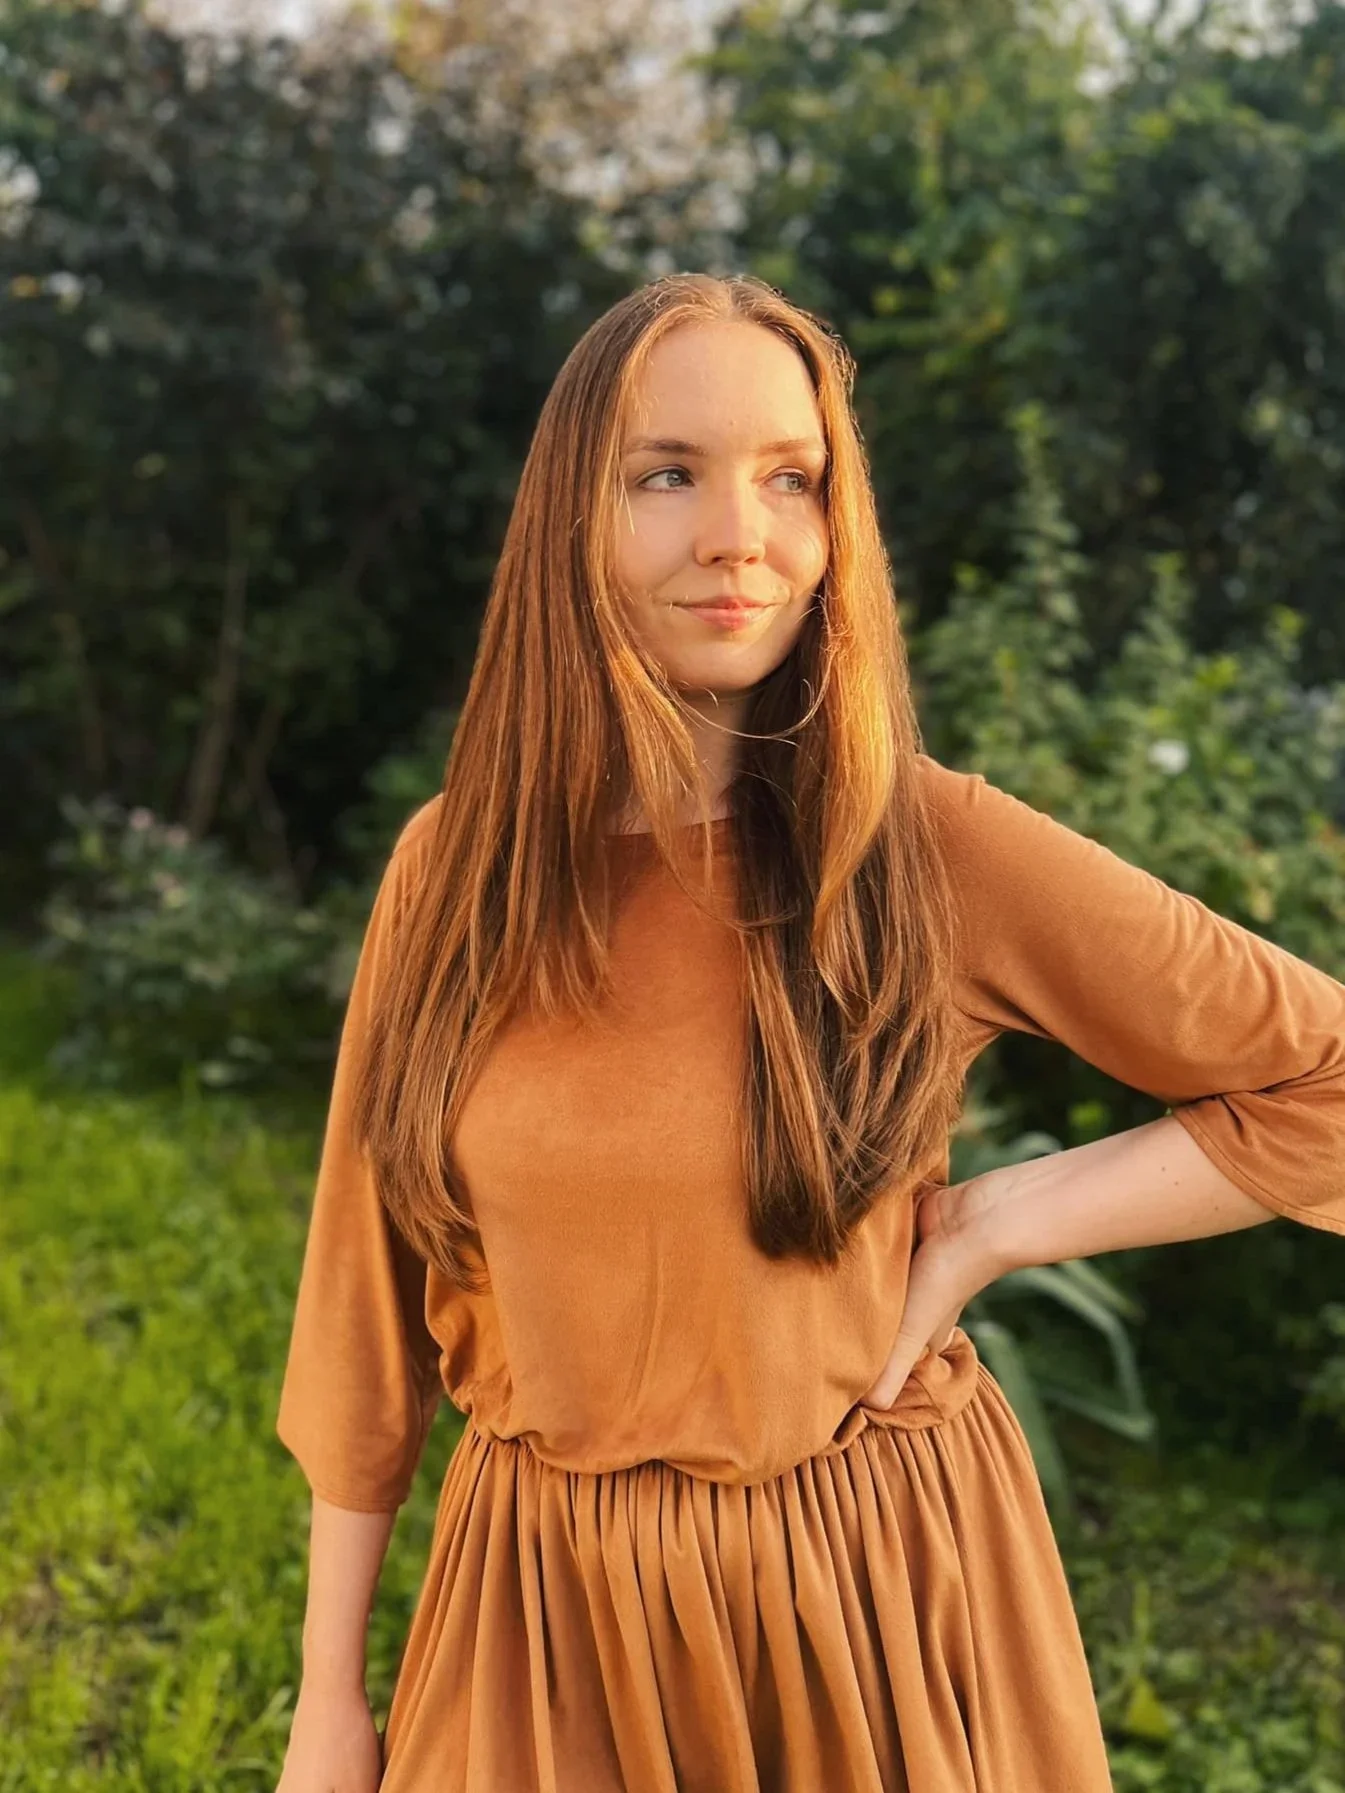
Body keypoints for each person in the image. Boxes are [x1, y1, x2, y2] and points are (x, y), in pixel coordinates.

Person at [272, 272, 1345, 1793]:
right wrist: (330, 1704)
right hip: (545, 1622)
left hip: (868, 1610)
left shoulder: (926, 853)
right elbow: (360, 1314)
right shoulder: (453, 877)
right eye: (668, 476)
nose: (740, 535)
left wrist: (990, 1225)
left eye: (793, 479)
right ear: (571, 516)